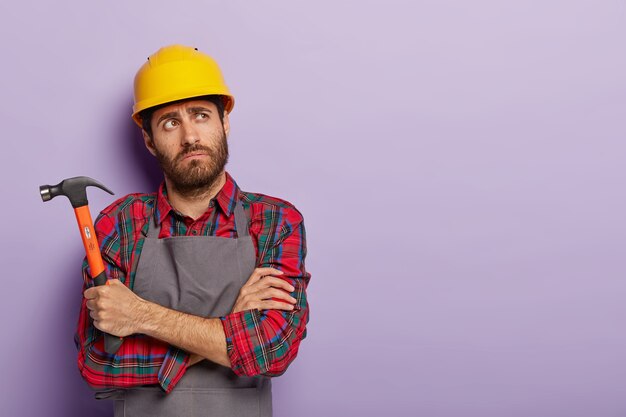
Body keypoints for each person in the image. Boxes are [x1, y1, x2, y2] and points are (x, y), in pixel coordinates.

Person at [74, 44, 311, 417]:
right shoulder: (120, 223)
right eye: (170, 122)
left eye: (201, 115)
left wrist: (140, 316)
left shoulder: (276, 221)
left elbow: (271, 350)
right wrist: (231, 327)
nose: (189, 137)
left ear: (224, 122)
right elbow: (98, 362)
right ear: (149, 140)